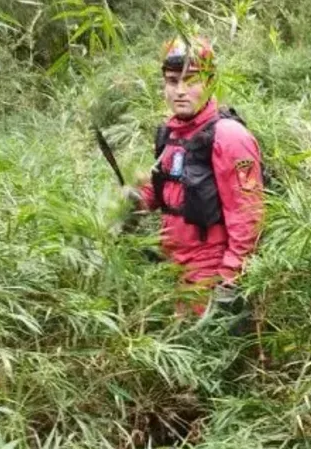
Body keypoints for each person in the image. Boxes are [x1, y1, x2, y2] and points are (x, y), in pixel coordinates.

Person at [123, 35, 265, 322]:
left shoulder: (229, 136)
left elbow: (249, 215)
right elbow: (163, 187)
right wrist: (133, 200)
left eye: (191, 80)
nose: (180, 91)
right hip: (175, 266)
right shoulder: (170, 132)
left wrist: (230, 278)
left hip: (212, 269)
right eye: (172, 81)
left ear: (210, 81)